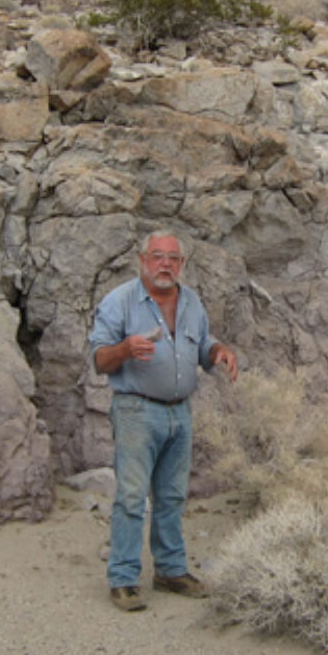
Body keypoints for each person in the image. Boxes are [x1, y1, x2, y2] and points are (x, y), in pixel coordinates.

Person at [89, 231, 239, 611]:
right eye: (157, 256)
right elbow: (99, 360)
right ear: (142, 260)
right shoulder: (120, 301)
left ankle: (171, 570)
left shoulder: (191, 302)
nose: (165, 264)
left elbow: (202, 347)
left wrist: (218, 351)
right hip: (137, 410)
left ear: (182, 265)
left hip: (180, 411)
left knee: (172, 496)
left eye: (172, 258)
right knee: (131, 497)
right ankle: (123, 578)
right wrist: (124, 348)